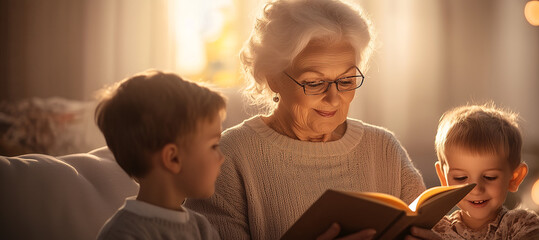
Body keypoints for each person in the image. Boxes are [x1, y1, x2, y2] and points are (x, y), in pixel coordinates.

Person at [184, 0, 434, 239]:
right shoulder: (230, 156)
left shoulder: (384, 148)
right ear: (272, 77)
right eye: (314, 83)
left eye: (346, 81)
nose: (334, 99)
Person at [95, 70, 226, 240]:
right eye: (214, 146)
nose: (222, 157)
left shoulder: (201, 228)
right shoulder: (123, 234)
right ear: (173, 158)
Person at [431, 104, 539, 239]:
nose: (476, 189)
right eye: (460, 177)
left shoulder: (525, 226)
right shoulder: (434, 230)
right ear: (443, 177)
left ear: (514, 177)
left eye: (490, 177)